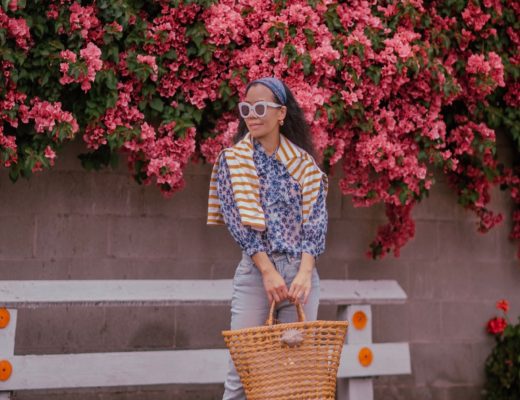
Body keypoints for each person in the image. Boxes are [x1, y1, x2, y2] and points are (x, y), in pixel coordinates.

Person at [207, 76, 328, 400]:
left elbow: (314, 223)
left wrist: (303, 274)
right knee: (242, 372)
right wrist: (267, 271)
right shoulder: (233, 162)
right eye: (246, 108)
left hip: (300, 277)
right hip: (257, 275)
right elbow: (238, 223)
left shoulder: (305, 166)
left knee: (293, 377)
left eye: (261, 107)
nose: (252, 114)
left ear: (281, 114)